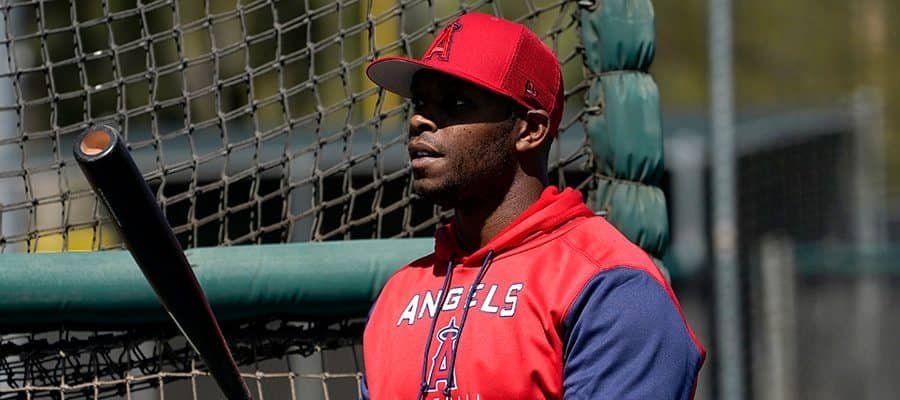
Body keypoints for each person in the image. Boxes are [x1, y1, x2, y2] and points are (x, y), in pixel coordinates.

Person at [361, 12, 704, 400]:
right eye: (420, 102)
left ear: (530, 129)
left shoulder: (610, 285)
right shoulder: (397, 296)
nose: (420, 121)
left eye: (456, 103)